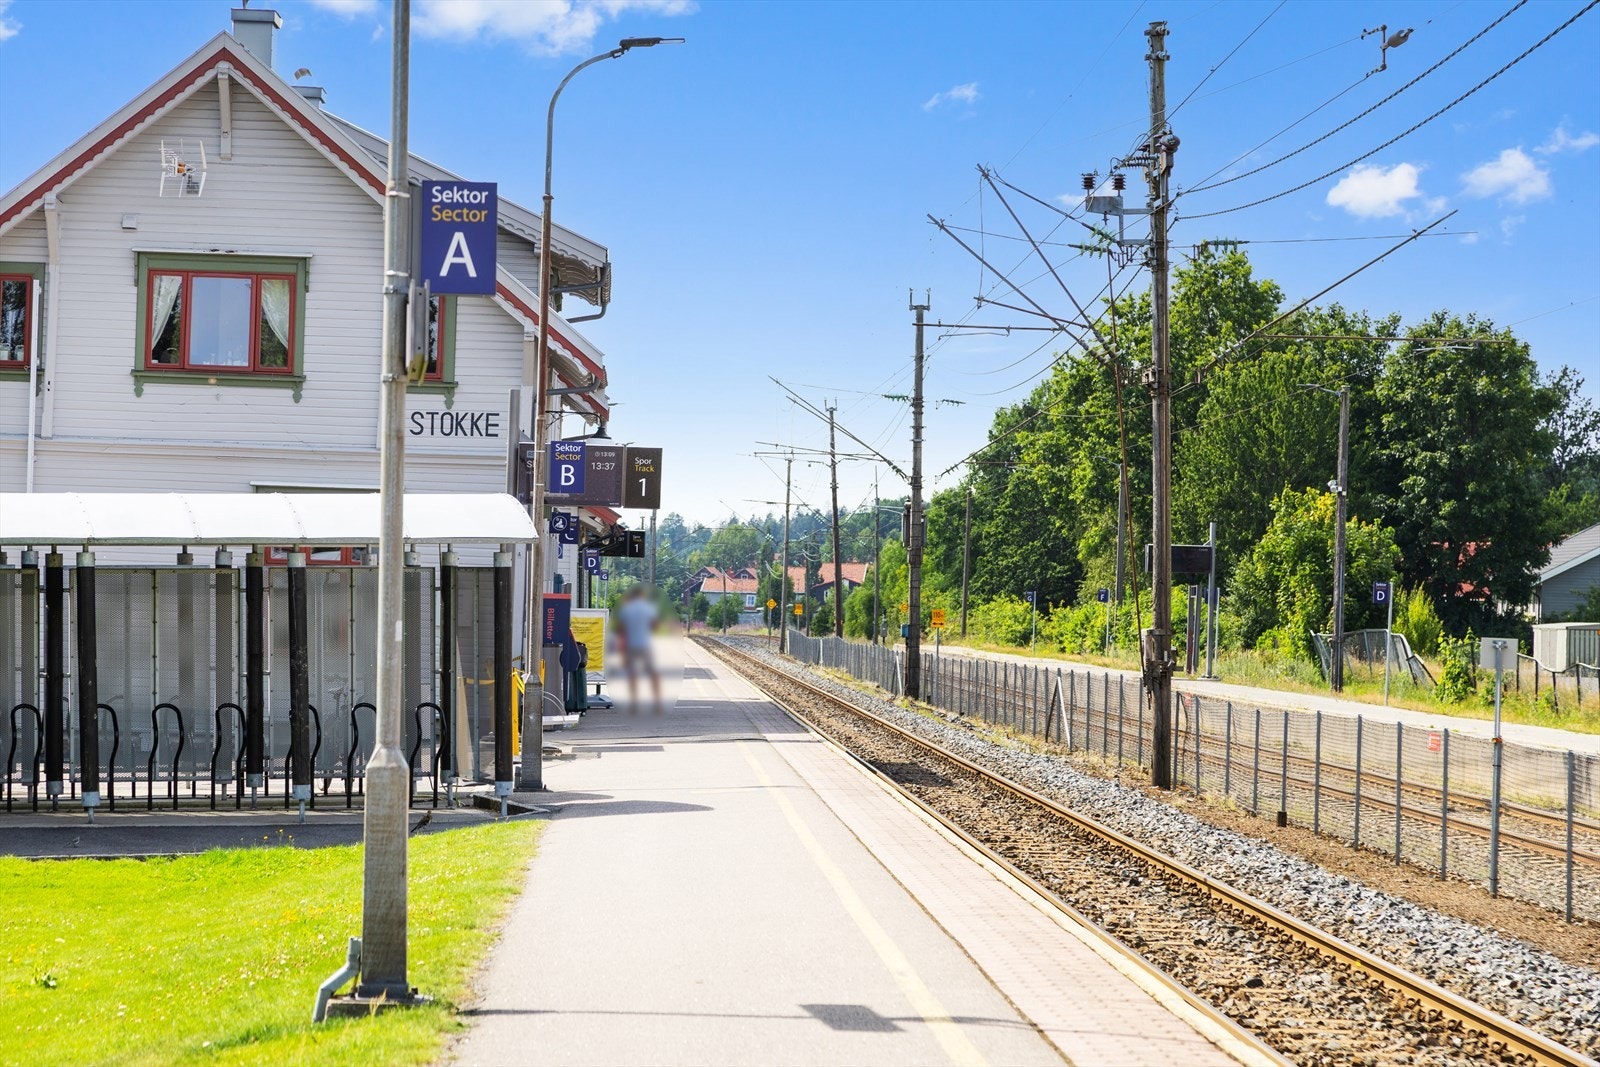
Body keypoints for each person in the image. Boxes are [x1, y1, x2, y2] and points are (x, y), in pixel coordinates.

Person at [617, 585, 663, 713]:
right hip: (645, 644)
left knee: (632, 675)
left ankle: (634, 704)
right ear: (642, 595)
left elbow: (621, 629)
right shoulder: (649, 608)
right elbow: (655, 626)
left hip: (631, 645)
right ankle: (657, 703)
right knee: (653, 674)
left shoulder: (626, 609)